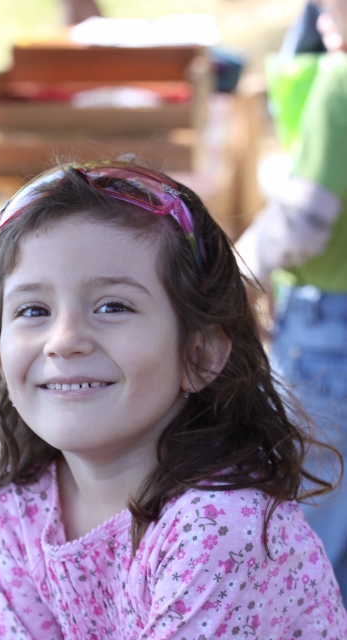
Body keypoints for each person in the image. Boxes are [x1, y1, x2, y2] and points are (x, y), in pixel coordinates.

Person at [0, 161, 347, 639]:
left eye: (112, 306)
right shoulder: (21, 506)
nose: (63, 340)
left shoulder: (221, 527)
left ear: (199, 355)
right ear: (0, 353)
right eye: (34, 310)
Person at [236, 0, 347, 605]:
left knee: (313, 522)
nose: (320, 16)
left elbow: (304, 218)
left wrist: (237, 269)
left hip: (330, 330)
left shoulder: (339, 82)